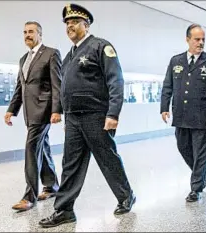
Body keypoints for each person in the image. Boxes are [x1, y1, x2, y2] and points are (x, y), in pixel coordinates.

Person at [38, 3, 135, 228]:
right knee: (70, 164)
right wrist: (63, 112)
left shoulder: (100, 46)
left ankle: (126, 195)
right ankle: (64, 210)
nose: (69, 26)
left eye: (74, 22)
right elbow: (65, 87)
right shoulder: (69, 55)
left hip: (96, 116)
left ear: (86, 24)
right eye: (67, 24)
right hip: (74, 119)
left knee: (108, 159)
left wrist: (113, 113)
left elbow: (115, 80)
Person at [160, 24, 206, 202]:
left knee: (200, 153)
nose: (201, 43)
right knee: (183, 147)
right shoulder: (175, 61)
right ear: (187, 39)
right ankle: (203, 172)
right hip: (181, 115)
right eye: (197, 39)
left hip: (203, 116)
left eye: (203, 39)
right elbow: (167, 86)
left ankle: (195, 188)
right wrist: (164, 107)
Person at [5, 21, 62, 211]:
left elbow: (57, 85)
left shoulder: (51, 53)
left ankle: (29, 196)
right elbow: (20, 87)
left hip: (44, 110)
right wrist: (11, 110)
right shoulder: (23, 59)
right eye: (24, 32)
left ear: (40, 34)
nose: (27, 35)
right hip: (29, 112)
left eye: (31, 32)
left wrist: (56, 110)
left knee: (31, 148)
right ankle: (52, 185)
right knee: (42, 146)